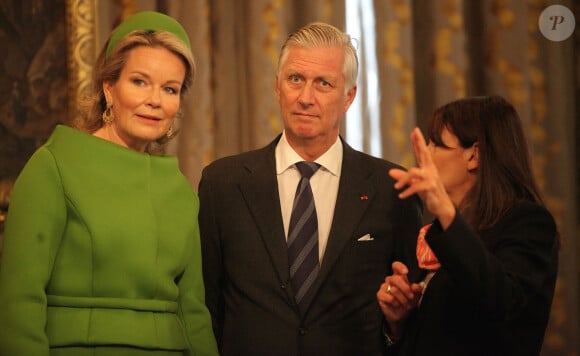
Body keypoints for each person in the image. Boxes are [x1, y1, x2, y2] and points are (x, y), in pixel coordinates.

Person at [198, 22, 423, 356]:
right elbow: (206, 307)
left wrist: (397, 323)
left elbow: (412, 315)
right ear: (277, 87)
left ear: (349, 96)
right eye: (295, 79)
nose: (305, 97)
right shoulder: (223, 183)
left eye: (323, 83)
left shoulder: (393, 187)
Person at [0, 11, 218, 356]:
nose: (155, 101)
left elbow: (193, 313)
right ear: (109, 87)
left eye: (170, 89)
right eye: (140, 82)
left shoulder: (178, 188)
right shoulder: (54, 166)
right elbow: (18, 303)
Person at [376, 95, 559, 355]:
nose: (425, 155)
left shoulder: (528, 222)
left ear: (474, 155)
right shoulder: (447, 230)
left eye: (436, 144)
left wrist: (444, 211)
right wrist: (399, 322)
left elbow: (503, 301)